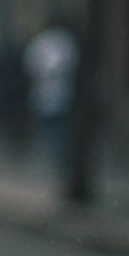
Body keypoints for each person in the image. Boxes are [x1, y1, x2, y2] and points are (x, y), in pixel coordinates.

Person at [24, 17, 79, 182]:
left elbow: (31, 65)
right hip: (58, 96)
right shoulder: (65, 41)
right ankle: (58, 161)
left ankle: (56, 161)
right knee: (58, 131)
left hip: (49, 96)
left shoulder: (44, 42)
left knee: (52, 132)